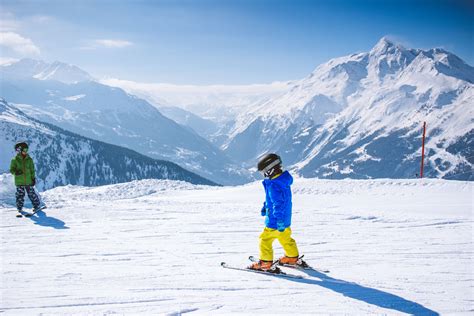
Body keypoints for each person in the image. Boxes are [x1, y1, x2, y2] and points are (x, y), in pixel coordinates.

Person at [248, 153, 308, 272]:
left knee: (265, 240)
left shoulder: (274, 186)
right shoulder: (281, 182)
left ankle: (265, 263)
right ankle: (292, 258)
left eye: (263, 172)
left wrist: (278, 219)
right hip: (285, 220)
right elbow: (275, 200)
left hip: (275, 221)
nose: (263, 175)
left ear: (270, 170)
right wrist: (265, 206)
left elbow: (278, 204)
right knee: (286, 238)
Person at [10, 142, 42, 214]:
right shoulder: (14, 160)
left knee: (31, 193)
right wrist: (16, 172)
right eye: (24, 150)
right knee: (20, 195)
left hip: (28, 180)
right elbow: (12, 170)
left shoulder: (29, 159)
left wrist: (33, 178)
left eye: (27, 150)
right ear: (19, 150)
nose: (26, 152)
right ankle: (19, 208)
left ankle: (36, 205)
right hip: (19, 181)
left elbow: (32, 170)